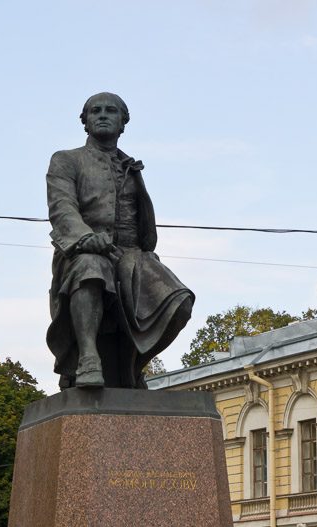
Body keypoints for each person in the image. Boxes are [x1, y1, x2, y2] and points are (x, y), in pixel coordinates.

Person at [46, 92, 194, 389]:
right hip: (81, 252)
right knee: (91, 268)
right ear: (85, 123)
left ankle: (132, 366)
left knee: (180, 301)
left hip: (131, 255)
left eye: (110, 111)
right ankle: (88, 358)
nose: (102, 115)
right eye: (95, 111)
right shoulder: (66, 160)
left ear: (123, 122)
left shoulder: (130, 166)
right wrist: (86, 238)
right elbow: (62, 209)